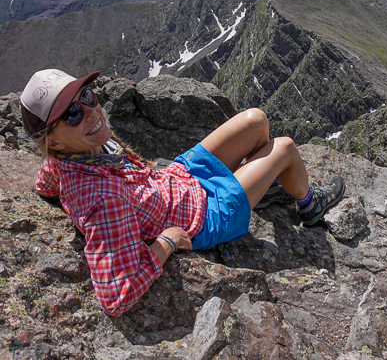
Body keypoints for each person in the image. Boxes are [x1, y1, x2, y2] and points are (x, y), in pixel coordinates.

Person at [20, 69, 345, 317]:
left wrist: (58, 195)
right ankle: (309, 205)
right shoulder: (103, 201)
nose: (90, 111)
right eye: (72, 114)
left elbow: (45, 183)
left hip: (180, 177)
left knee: (256, 120)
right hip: (207, 215)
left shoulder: (65, 155)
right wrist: (166, 243)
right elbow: (116, 297)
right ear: (55, 140)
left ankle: (269, 190)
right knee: (285, 147)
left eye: (87, 97)